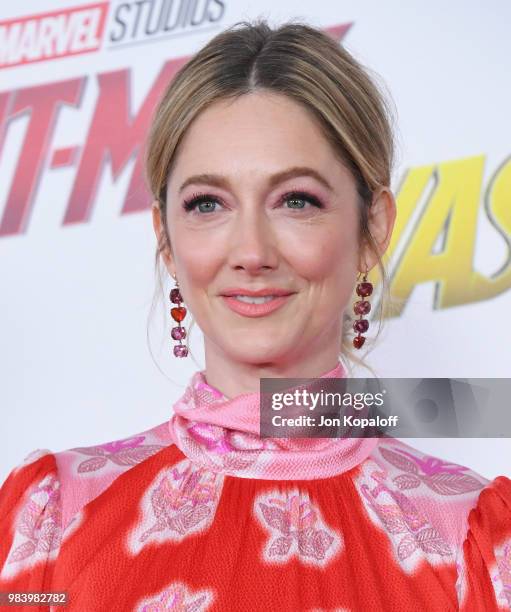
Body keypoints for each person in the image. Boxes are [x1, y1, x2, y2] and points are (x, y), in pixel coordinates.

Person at [0, 19, 510, 612]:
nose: (250, 253)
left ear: (372, 229)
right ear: (165, 235)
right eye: (207, 204)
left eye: (297, 200)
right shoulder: (52, 522)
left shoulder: (474, 546)